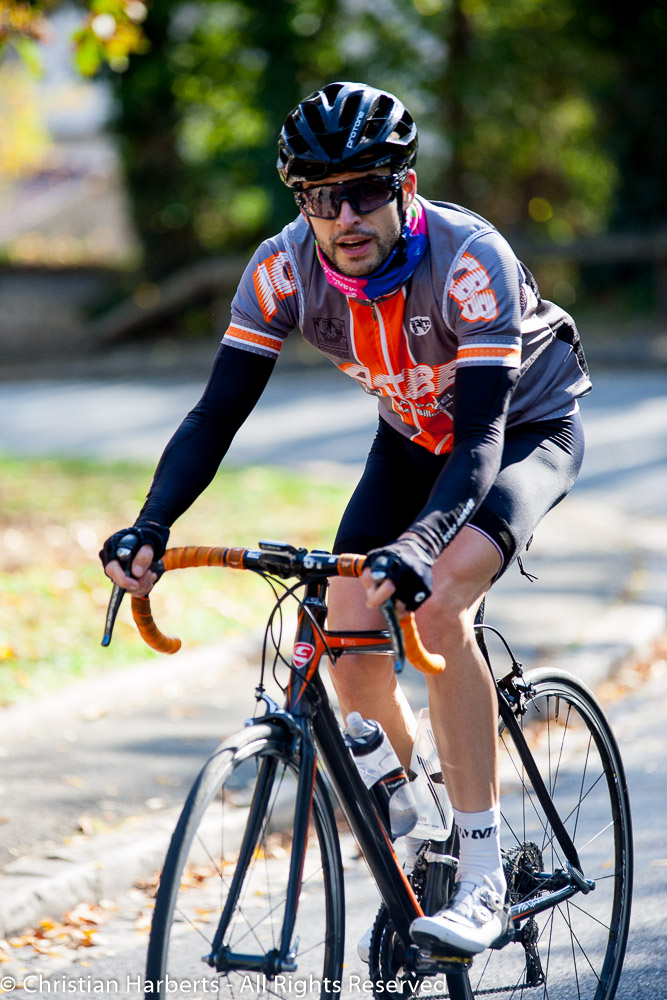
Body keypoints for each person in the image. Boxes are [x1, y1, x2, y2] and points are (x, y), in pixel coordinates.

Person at [100, 82, 590, 956]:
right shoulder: (281, 270)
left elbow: (480, 435)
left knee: (439, 602)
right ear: (302, 205)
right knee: (345, 620)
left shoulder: (469, 258)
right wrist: (151, 524)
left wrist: (422, 545)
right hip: (410, 437)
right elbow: (215, 415)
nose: (344, 216)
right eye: (320, 198)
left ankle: (482, 876)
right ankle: (426, 814)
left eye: (364, 191)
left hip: (521, 432)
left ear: (405, 188)